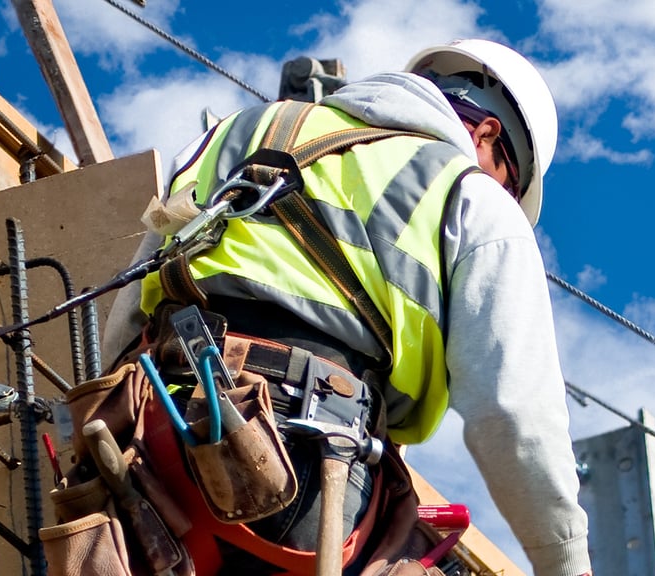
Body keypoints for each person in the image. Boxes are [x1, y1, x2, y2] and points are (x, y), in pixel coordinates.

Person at [103, 39, 591, 576]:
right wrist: (565, 563)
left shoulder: (237, 132)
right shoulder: (469, 194)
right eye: (510, 181)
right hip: (300, 463)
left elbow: (128, 315)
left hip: (150, 437)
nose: (504, 191)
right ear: (486, 134)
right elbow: (515, 416)